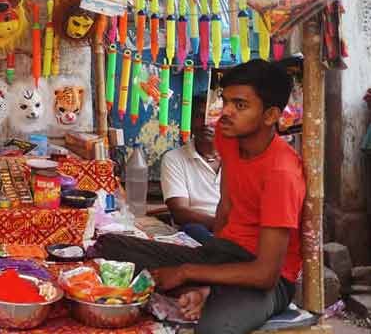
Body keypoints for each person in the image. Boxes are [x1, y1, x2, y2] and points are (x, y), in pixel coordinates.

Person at [95, 59, 304, 334]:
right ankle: (208, 290)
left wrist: (186, 271)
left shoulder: (282, 172)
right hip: (224, 254)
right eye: (225, 101)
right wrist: (207, 260)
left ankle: (207, 291)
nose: (225, 112)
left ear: (270, 115)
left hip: (267, 278)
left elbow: (265, 274)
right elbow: (226, 206)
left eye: (240, 105)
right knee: (109, 245)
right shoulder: (228, 137)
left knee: (216, 329)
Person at [160, 94, 221, 244]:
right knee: (194, 229)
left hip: (234, 230)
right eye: (200, 116)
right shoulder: (174, 159)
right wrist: (221, 225)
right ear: (190, 120)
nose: (206, 123)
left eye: (213, 116)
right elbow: (180, 213)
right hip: (198, 232)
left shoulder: (240, 158)